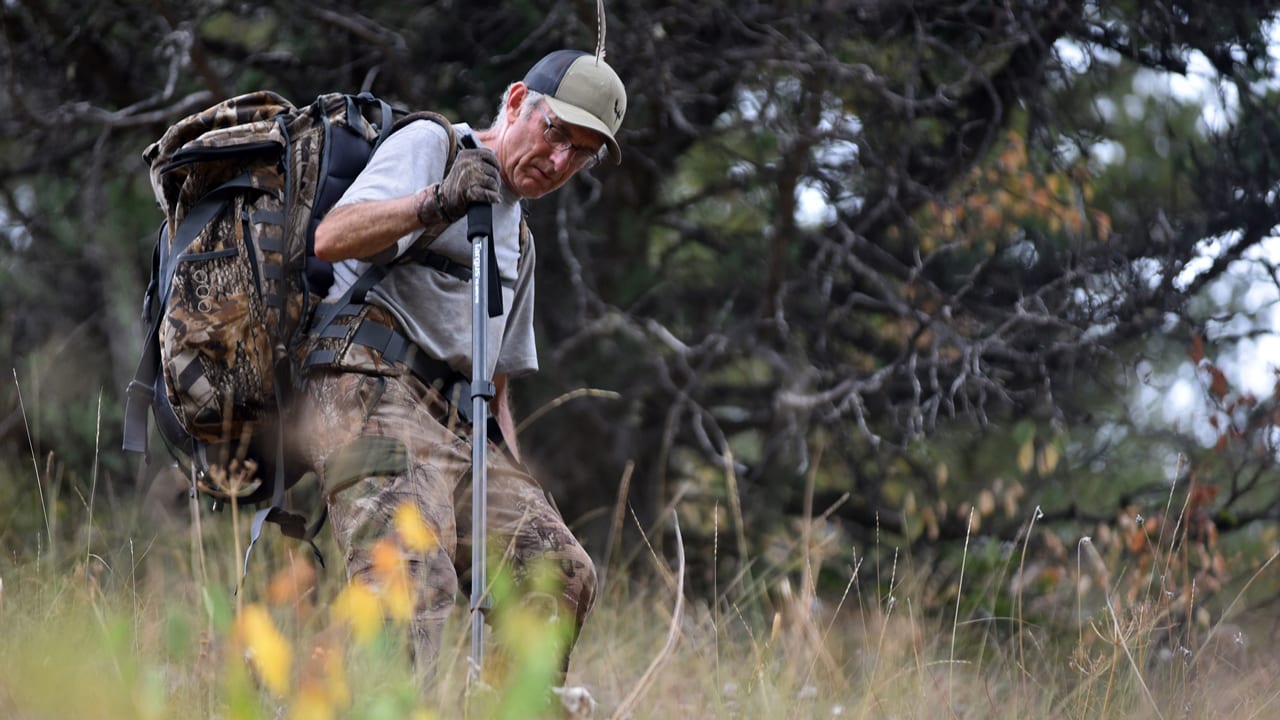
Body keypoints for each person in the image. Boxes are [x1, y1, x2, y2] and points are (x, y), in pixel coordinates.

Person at [300, 49, 626, 690]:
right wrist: (435, 203)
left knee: (559, 567)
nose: (560, 161)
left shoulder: (520, 240)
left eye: (581, 153)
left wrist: (519, 490)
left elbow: (496, 387)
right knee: (412, 572)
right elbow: (331, 238)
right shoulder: (435, 146)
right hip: (362, 380)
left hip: (449, 421)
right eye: (555, 133)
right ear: (515, 103)